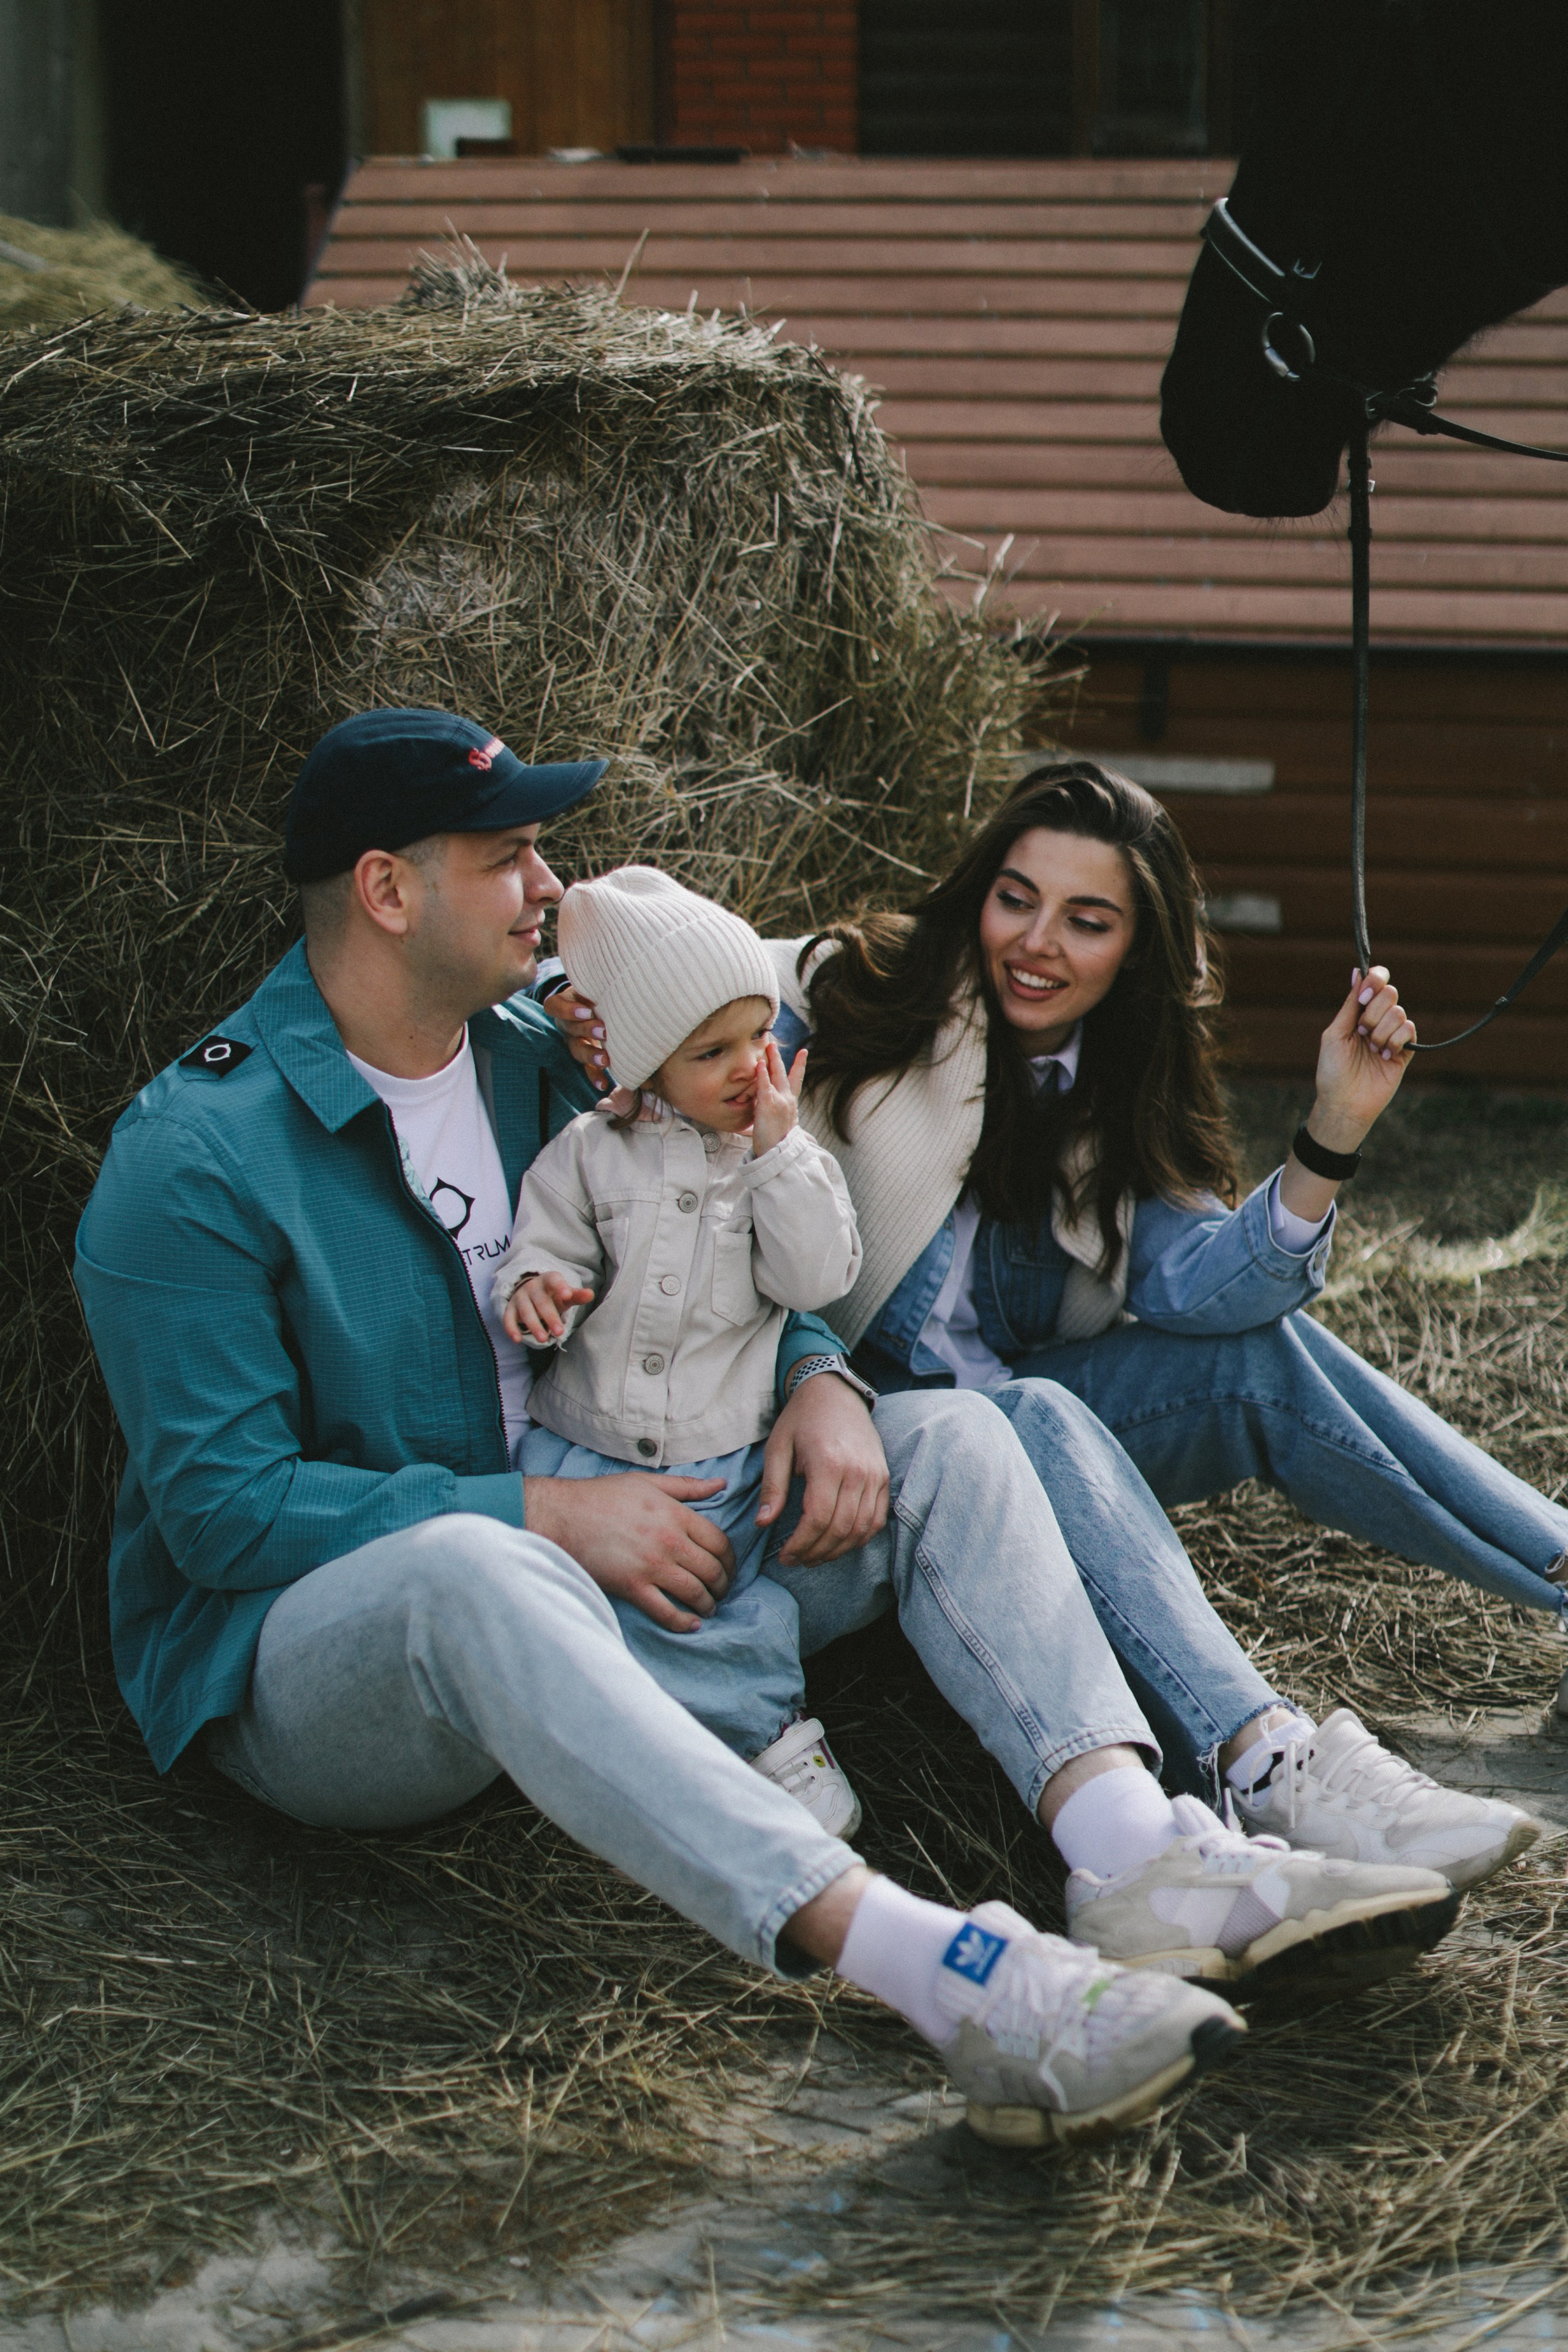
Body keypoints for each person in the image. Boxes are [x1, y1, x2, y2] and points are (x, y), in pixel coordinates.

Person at [75, 709, 1462, 2158]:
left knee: (959, 1439)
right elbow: (223, 1517)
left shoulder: (546, 1060)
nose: (551, 889)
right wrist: (540, 1517)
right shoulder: (195, 1156)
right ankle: (949, 1976)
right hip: (333, 1667)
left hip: (661, 1531)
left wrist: (818, 1375)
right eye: (510, 858)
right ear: (385, 890)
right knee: (481, 1577)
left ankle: (1135, 1853)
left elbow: (733, 1235)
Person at [562, 755, 1542, 1888]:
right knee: (1018, 1409)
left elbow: (1212, 1290)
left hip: (1034, 1438)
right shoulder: (855, 983)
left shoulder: (1122, 1093)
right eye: (1017, 898)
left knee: (1250, 1356)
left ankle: (1550, 1577)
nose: (1037, 943)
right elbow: (663, 969)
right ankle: (1264, 1760)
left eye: (1088, 920)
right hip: (842, 1451)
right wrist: (571, 1002)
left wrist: (1332, 1130)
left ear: (1138, 949)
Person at [496, 864, 865, 1834]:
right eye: (714, 1051)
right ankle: (646, 1755)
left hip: (721, 1449)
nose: (751, 1065)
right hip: (580, 1442)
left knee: (723, 1597)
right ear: (648, 1064)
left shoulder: (783, 1158)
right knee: (582, 1606)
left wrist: (783, 1158)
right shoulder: (587, 1148)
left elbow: (816, 1279)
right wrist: (540, 1289)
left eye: (760, 1036)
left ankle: (770, 1737)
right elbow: (547, 1239)